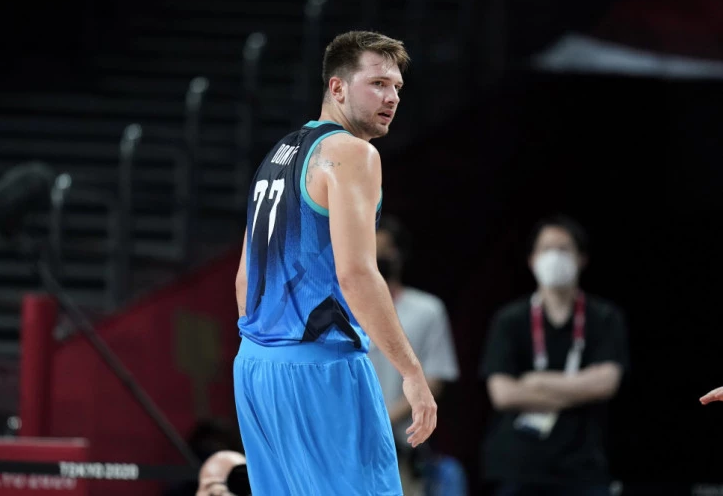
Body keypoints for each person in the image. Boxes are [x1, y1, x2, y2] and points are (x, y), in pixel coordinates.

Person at [233, 30, 438, 496]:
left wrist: (272, 350)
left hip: (254, 366)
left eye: (397, 87)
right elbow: (357, 274)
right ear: (338, 87)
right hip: (320, 367)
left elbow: (245, 278)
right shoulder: (353, 152)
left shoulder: (277, 155)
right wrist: (411, 372)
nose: (392, 97)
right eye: (378, 83)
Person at [479, 215, 630, 496]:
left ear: (581, 259)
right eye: (547, 249)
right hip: (518, 464)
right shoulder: (509, 319)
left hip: (584, 464)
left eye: (563, 249)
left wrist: (535, 381)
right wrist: (579, 389)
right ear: (532, 260)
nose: (555, 257)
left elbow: (606, 383)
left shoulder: (605, 317)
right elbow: (503, 394)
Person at [368, 214, 461, 495]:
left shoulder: (426, 310)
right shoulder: (338, 310)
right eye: (370, 248)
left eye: (384, 250)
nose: (377, 257)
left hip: (401, 448)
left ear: (399, 255)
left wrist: (381, 420)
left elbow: (434, 379)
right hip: (344, 443)